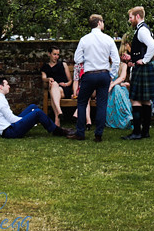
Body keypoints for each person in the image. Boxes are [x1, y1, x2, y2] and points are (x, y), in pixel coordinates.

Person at [68, 14, 121, 142]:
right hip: (103, 74)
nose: (103, 24)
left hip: (90, 74)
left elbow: (77, 59)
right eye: (102, 22)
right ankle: (98, 134)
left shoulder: (84, 39)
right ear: (99, 23)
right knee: (102, 104)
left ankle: (80, 132)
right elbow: (116, 61)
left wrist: (88, 60)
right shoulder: (108, 39)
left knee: (81, 102)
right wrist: (111, 75)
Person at [0, 77, 70, 138]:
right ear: (1, 87)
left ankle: (53, 128)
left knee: (33, 107)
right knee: (37, 113)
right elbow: (11, 119)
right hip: (10, 132)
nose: (9, 86)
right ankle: (57, 131)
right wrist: (29, 120)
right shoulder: (0, 100)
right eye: (7, 84)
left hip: (10, 128)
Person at [122, 6, 154, 140]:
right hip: (145, 67)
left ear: (137, 16)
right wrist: (133, 58)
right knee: (145, 100)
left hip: (144, 67)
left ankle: (137, 132)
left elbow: (152, 46)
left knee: (136, 99)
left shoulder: (142, 30)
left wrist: (144, 60)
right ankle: (145, 132)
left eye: (130, 17)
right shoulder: (143, 29)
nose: (129, 20)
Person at [40, 45, 73, 125]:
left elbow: (70, 81)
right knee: (54, 85)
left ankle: (58, 114)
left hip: (63, 90)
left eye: (58, 54)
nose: (56, 56)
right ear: (49, 54)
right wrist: (48, 79)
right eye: (54, 54)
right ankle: (58, 116)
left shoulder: (63, 64)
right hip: (53, 89)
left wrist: (65, 84)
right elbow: (43, 78)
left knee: (53, 90)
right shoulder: (45, 67)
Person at [105, 38, 133, 130]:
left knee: (117, 88)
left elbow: (122, 78)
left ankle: (127, 117)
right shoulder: (105, 65)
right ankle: (127, 117)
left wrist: (114, 84)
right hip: (108, 91)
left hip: (119, 89)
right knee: (116, 87)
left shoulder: (123, 65)